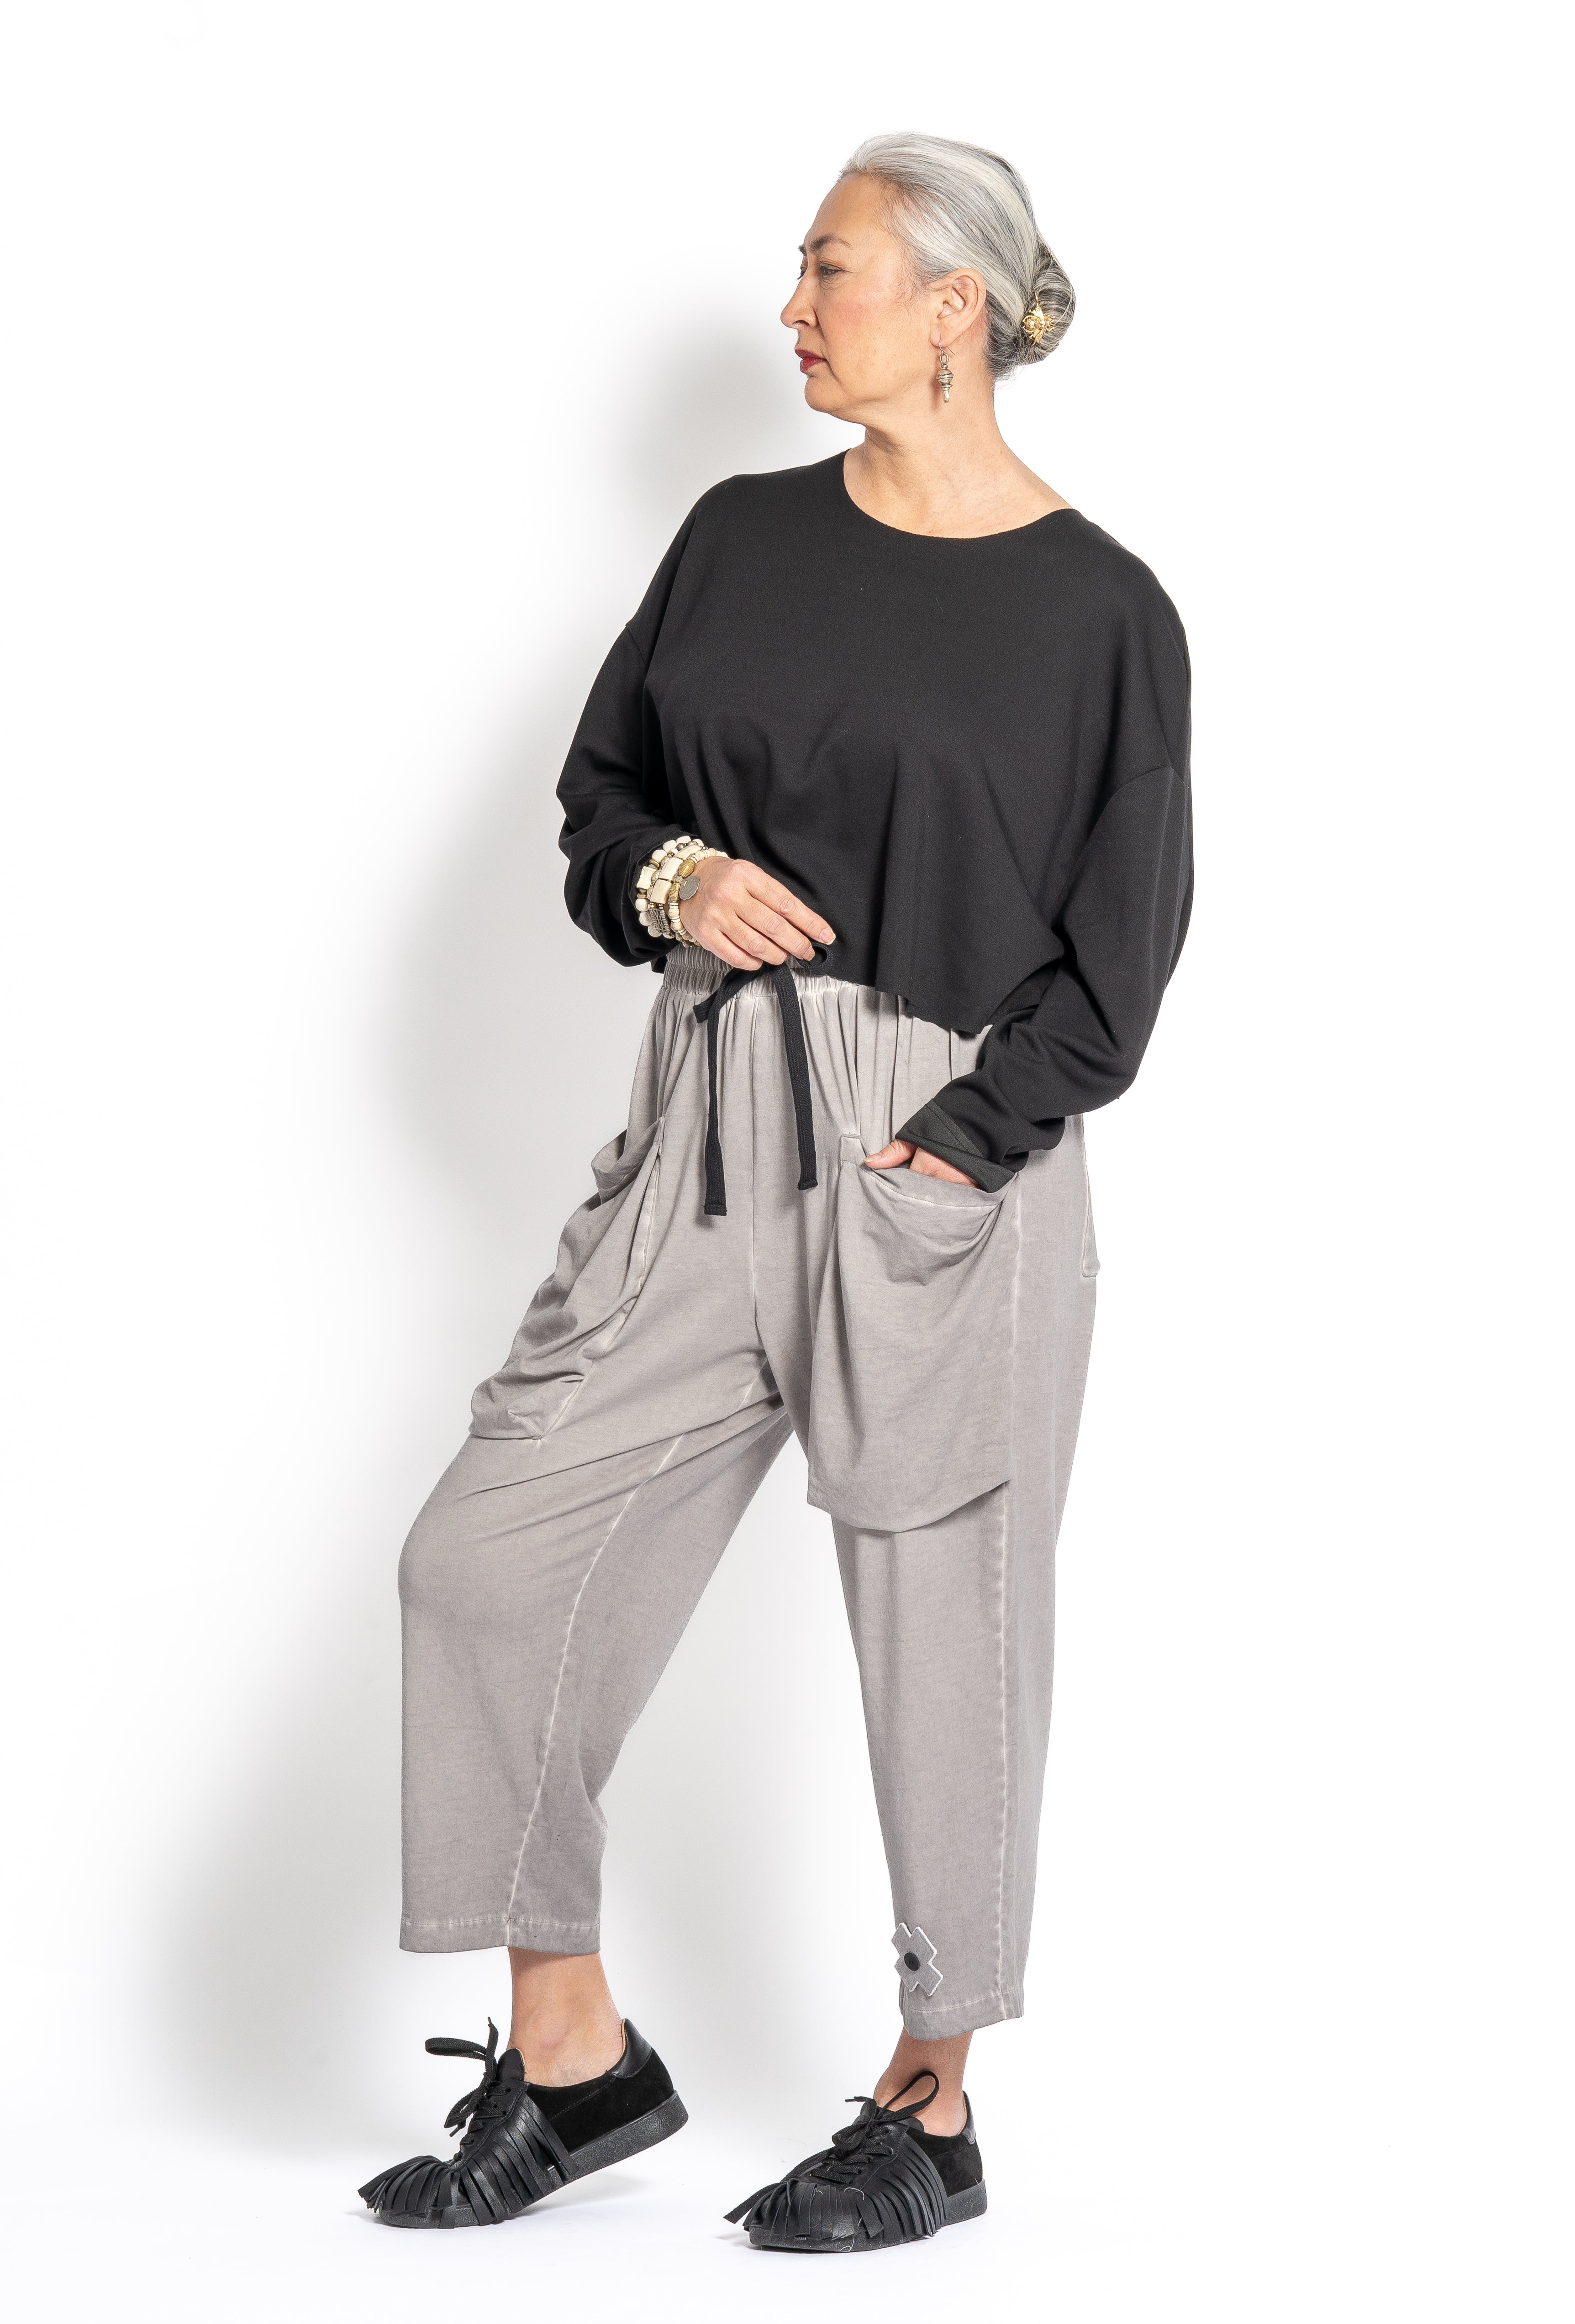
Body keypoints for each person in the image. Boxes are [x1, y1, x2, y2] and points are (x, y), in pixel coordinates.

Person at [360, 132, 1194, 2249]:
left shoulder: (1101, 612)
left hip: (943, 1140)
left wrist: (961, 1140)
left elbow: (1122, 955)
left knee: (945, 1624)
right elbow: (601, 794)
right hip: (712, 1122)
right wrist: (672, 877)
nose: (796, 307)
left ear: (954, 308)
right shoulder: (740, 536)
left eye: (833, 269)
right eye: (799, 270)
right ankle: (573, 2052)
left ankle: (932, 2102)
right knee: (484, 1557)